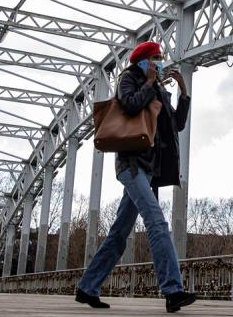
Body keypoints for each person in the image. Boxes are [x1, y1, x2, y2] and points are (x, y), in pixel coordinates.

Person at [75, 41, 196, 313]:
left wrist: (183, 92)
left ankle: (87, 287)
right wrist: (149, 83)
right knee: (156, 221)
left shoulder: (160, 90)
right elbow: (129, 106)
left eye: (161, 59)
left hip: (149, 170)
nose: (160, 62)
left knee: (119, 233)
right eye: (156, 58)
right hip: (131, 165)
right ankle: (172, 290)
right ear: (143, 61)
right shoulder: (128, 79)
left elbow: (177, 124)